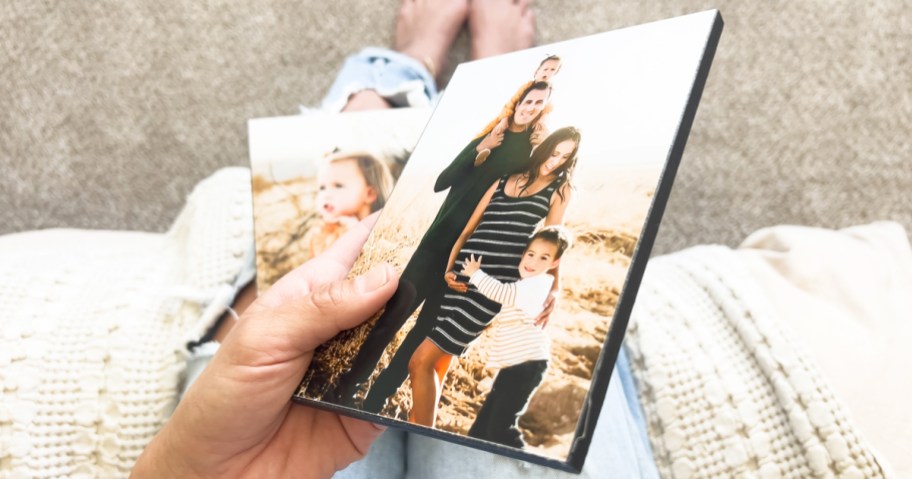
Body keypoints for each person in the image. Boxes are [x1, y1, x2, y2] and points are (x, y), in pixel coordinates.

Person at [328, 81, 554, 407]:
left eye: (538, 104)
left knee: (422, 334)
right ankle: (347, 387)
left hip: (469, 260)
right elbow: (441, 182)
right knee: (391, 319)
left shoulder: (529, 159)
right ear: (518, 102)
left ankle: (376, 400)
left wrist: (548, 283)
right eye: (528, 101)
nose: (530, 108)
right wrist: (482, 148)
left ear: (542, 111)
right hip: (434, 247)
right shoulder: (489, 136)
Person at [399, 128, 580, 426]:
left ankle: (421, 428)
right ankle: (420, 420)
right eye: (554, 152)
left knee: (420, 361)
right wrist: (449, 268)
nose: (555, 161)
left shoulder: (559, 191)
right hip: (461, 278)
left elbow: (553, 243)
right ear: (545, 148)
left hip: (492, 287)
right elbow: (468, 231)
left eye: (564, 157)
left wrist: (555, 288)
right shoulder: (503, 181)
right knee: (440, 361)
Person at [466, 226, 574, 447]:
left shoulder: (537, 285)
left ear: (554, 263)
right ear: (523, 254)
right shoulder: (527, 283)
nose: (533, 262)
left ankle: (521, 458)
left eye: (544, 258)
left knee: (500, 428)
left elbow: (501, 292)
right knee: (482, 428)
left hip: (527, 365)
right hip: (515, 366)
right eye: (531, 254)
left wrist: (475, 273)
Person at [305, 152, 394, 258]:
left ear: (369, 194)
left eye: (338, 186)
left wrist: (355, 232)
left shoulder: (385, 230)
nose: (325, 195)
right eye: (322, 188)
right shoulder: (321, 234)